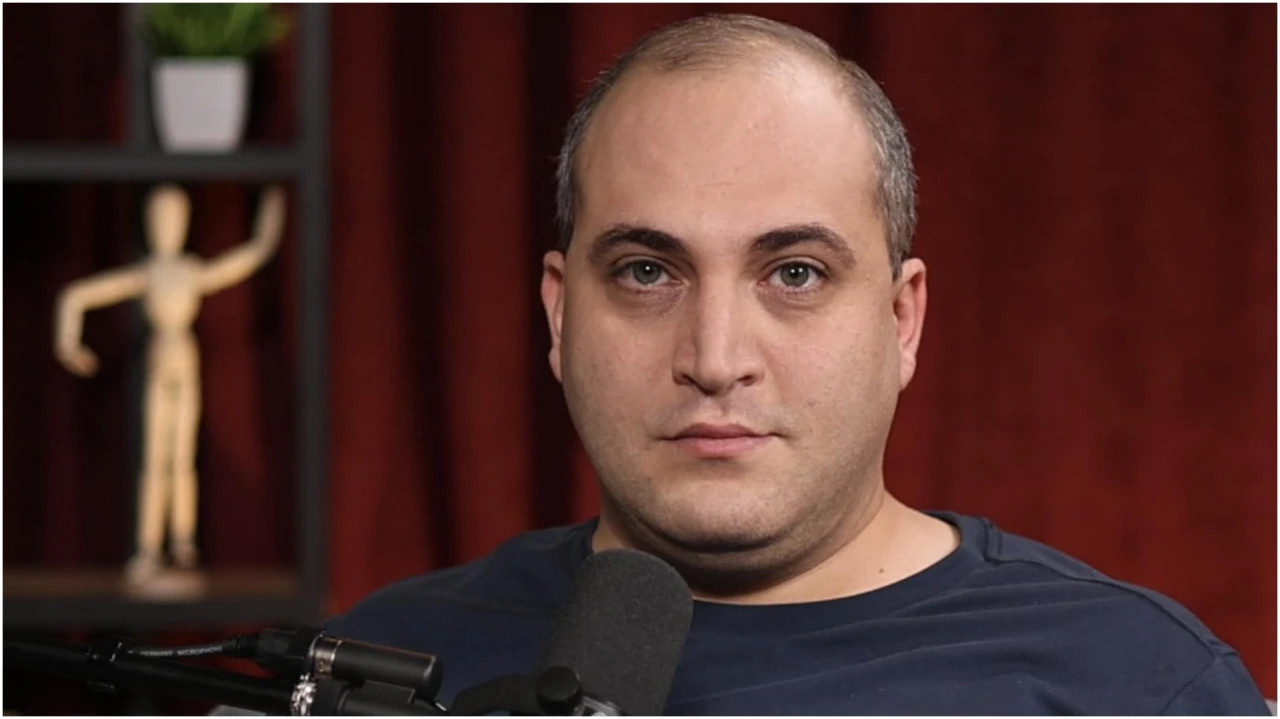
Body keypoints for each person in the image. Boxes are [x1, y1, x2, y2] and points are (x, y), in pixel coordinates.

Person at [326, 14, 1270, 715]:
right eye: (647, 271)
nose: (716, 359)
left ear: (901, 320)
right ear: (561, 313)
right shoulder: (381, 664)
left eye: (795, 273)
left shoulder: (1137, 682)